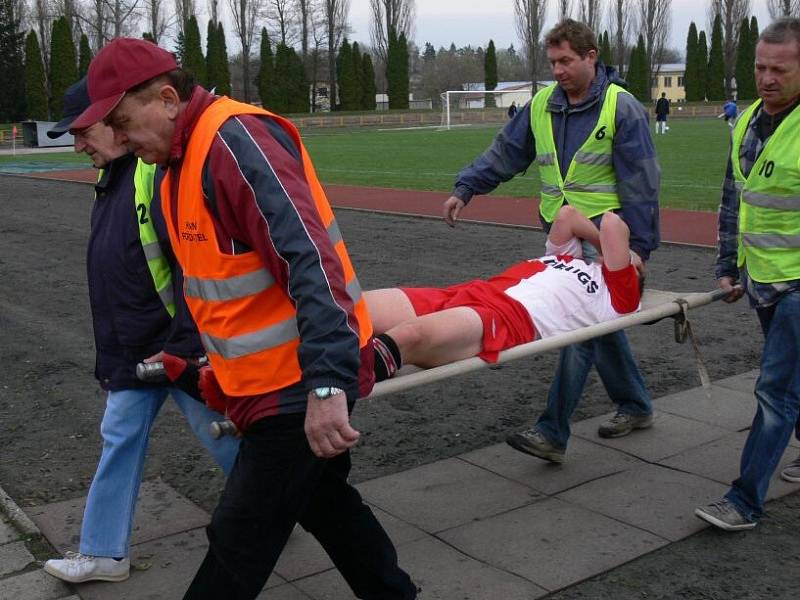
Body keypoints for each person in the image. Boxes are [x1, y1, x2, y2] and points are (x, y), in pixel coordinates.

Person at [71, 38, 416, 599]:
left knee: (238, 535)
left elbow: (308, 257)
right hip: (262, 386)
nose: (118, 138)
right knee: (327, 506)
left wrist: (328, 382)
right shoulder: (171, 167)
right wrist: (196, 366)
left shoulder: (234, 139)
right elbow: (218, 290)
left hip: (298, 384)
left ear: (165, 98)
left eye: (122, 121)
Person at [42, 78, 239, 583]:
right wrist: (114, 358)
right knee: (120, 440)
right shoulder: (110, 179)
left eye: (84, 132)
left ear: (115, 119)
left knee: (225, 441)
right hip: (134, 352)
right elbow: (121, 276)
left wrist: (187, 345)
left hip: (176, 349)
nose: (78, 144)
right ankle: (104, 553)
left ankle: (282, 508)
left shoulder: (152, 174)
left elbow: (193, 265)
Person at [442, 18, 660, 464]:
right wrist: (466, 187)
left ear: (591, 57)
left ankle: (552, 430)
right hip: (561, 237)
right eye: (553, 62)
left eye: (566, 61)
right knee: (600, 328)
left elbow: (642, 184)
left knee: (580, 330)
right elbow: (505, 152)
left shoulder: (622, 107)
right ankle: (635, 405)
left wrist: (639, 251)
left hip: (606, 245)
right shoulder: (542, 105)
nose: (558, 70)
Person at [369, 206, 642, 405]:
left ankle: (333, 384)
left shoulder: (618, 297)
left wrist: (626, 259)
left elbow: (611, 223)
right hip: (471, 291)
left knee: (408, 337)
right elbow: (567, 215)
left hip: (505, 317)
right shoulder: (572, 259)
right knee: (356, 308)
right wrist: (603, 253)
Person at [695, 17, 800, 531]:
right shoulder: (748, 121)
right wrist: (726, 265)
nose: (767, 78)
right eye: (760, 67)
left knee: (775, 389)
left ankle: (744, 500)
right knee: (791, 383)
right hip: (763, 279)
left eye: (779, 68)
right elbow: (733, 200)